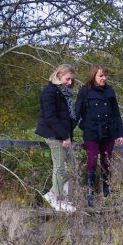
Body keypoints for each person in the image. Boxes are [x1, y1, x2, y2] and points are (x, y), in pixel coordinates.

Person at [74, 65, 123, 206]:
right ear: (93, 76)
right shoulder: (85, 91)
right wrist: (67, 133)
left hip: (109, 132)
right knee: (91, 161)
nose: (104, 78)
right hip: (91, 131)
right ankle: (90, 195)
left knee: (107, 163)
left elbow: (116, 114)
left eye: (105, 75)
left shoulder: (110, 91)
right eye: (100, 75)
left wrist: (120, 134)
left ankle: (107, 194)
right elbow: (76, 112)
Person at [35, 63, 77, 213]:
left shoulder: (65, 93)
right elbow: (51, 117)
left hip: (64, 136)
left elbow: (68, 117)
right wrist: (64, 135)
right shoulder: (49, 92)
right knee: (59, 167)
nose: (70, 82)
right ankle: (58, 200)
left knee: (73, 167)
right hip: (53, 134)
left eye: (72, 80)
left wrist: (68, 135)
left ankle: (53, 194)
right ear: (58, 76)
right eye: (67, 79)